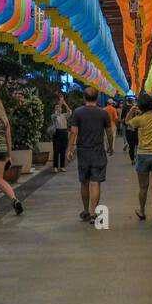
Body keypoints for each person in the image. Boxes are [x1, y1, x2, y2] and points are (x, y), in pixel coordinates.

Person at [68, 85, 113, 222]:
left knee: (84, 182)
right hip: (98, 150)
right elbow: (109, 132)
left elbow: (74, 132)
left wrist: (69, 149)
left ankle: (86, 210)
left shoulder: (78, 112)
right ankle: (94, 212)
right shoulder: (103, 113)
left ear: (83, 98)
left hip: (83, 151)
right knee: (96, 182)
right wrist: (110, 146)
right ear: (98, 98)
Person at [126, 94, 152, 223]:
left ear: (140, 106)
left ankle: (142, 211)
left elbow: (127, 122)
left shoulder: (139, 119)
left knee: (143, 187)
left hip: (143, 154)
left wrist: (131, 111)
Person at [51, 94, 72, 173]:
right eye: (57, 108)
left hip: (64, 132)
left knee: (63, 150)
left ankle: (62, 166)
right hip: (57, 133)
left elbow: (70, 112)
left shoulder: (64, 116)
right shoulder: (53, 116)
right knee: (56, 150)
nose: (59, 109)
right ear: (55, 109)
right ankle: (55, 167)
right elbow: (56, 114)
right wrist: (60, 102)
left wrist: (64, 103)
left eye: (59, 108)